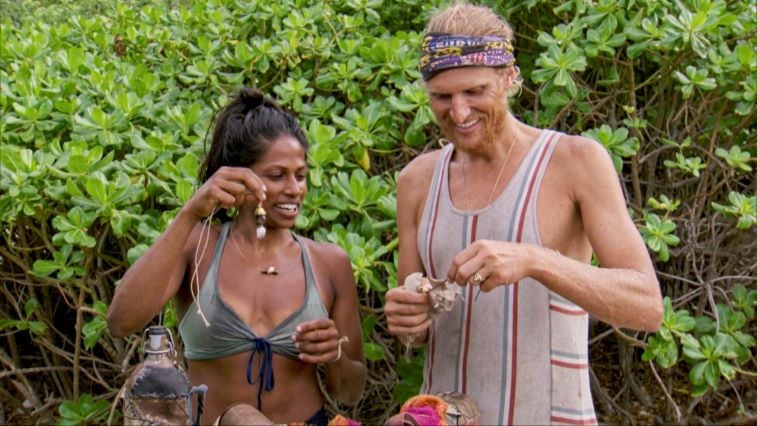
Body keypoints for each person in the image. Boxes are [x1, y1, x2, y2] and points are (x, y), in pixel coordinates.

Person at [384, 3, 663, 425]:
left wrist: (534, 259)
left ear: (509, 78)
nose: (459, 112)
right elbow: (416, 330)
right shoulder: (416, 181)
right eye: (442, 97)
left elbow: (647, 307)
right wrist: (408, 318)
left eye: (475, 91)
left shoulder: (575, 161)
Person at [108, 88, 366, 425]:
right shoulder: (198, 246)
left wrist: (334, 355)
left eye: (301, 175)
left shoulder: (328, 263)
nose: (294, 189)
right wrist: (189, 214)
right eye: (277, 175)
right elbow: (121, 322)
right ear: (238, 176)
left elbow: (350, 393)